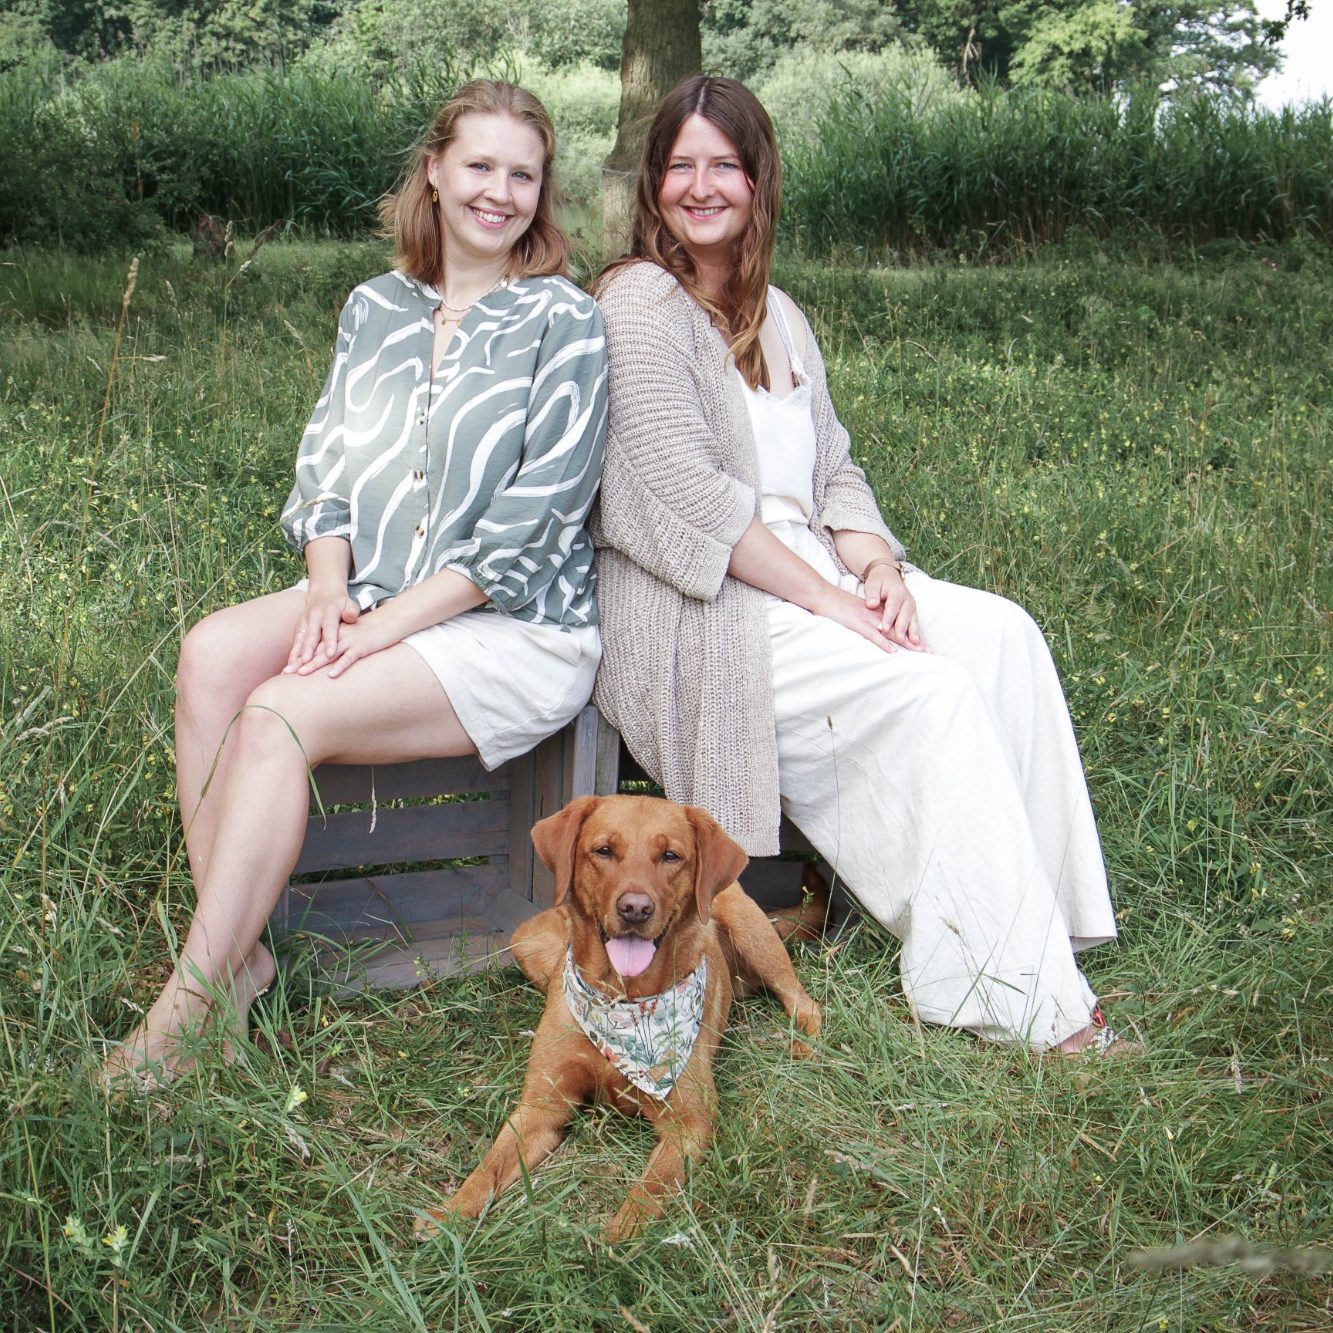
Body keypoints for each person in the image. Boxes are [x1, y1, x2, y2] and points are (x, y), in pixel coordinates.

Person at [591, 76, 1128, 1054]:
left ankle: (1041, 930)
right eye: (680, 166)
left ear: (758, 180)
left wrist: (876, 568)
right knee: (931, 692)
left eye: (725, 165)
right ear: (652, 181)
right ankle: (1010, 998)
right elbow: (690, 502)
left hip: (812, 571)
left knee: (1002, 634)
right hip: (704, 602)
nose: (701, 186)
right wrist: (833, 604)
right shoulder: (638, 304)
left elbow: (833, 467)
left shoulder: (780, 315)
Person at [102, 80, 608, 1086]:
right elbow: (325, 473)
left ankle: (185, 1011)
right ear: (434, 171)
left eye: (522, 174)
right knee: (212, 654)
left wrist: (376, 632)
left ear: (541, 192)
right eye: (479, 166)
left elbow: (529, 528)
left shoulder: (567, 321)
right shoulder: (374, 308)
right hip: (374, 589)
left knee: (281, 712)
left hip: (511, 626)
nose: (498, 192)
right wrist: (331, 593)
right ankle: (240, 957)